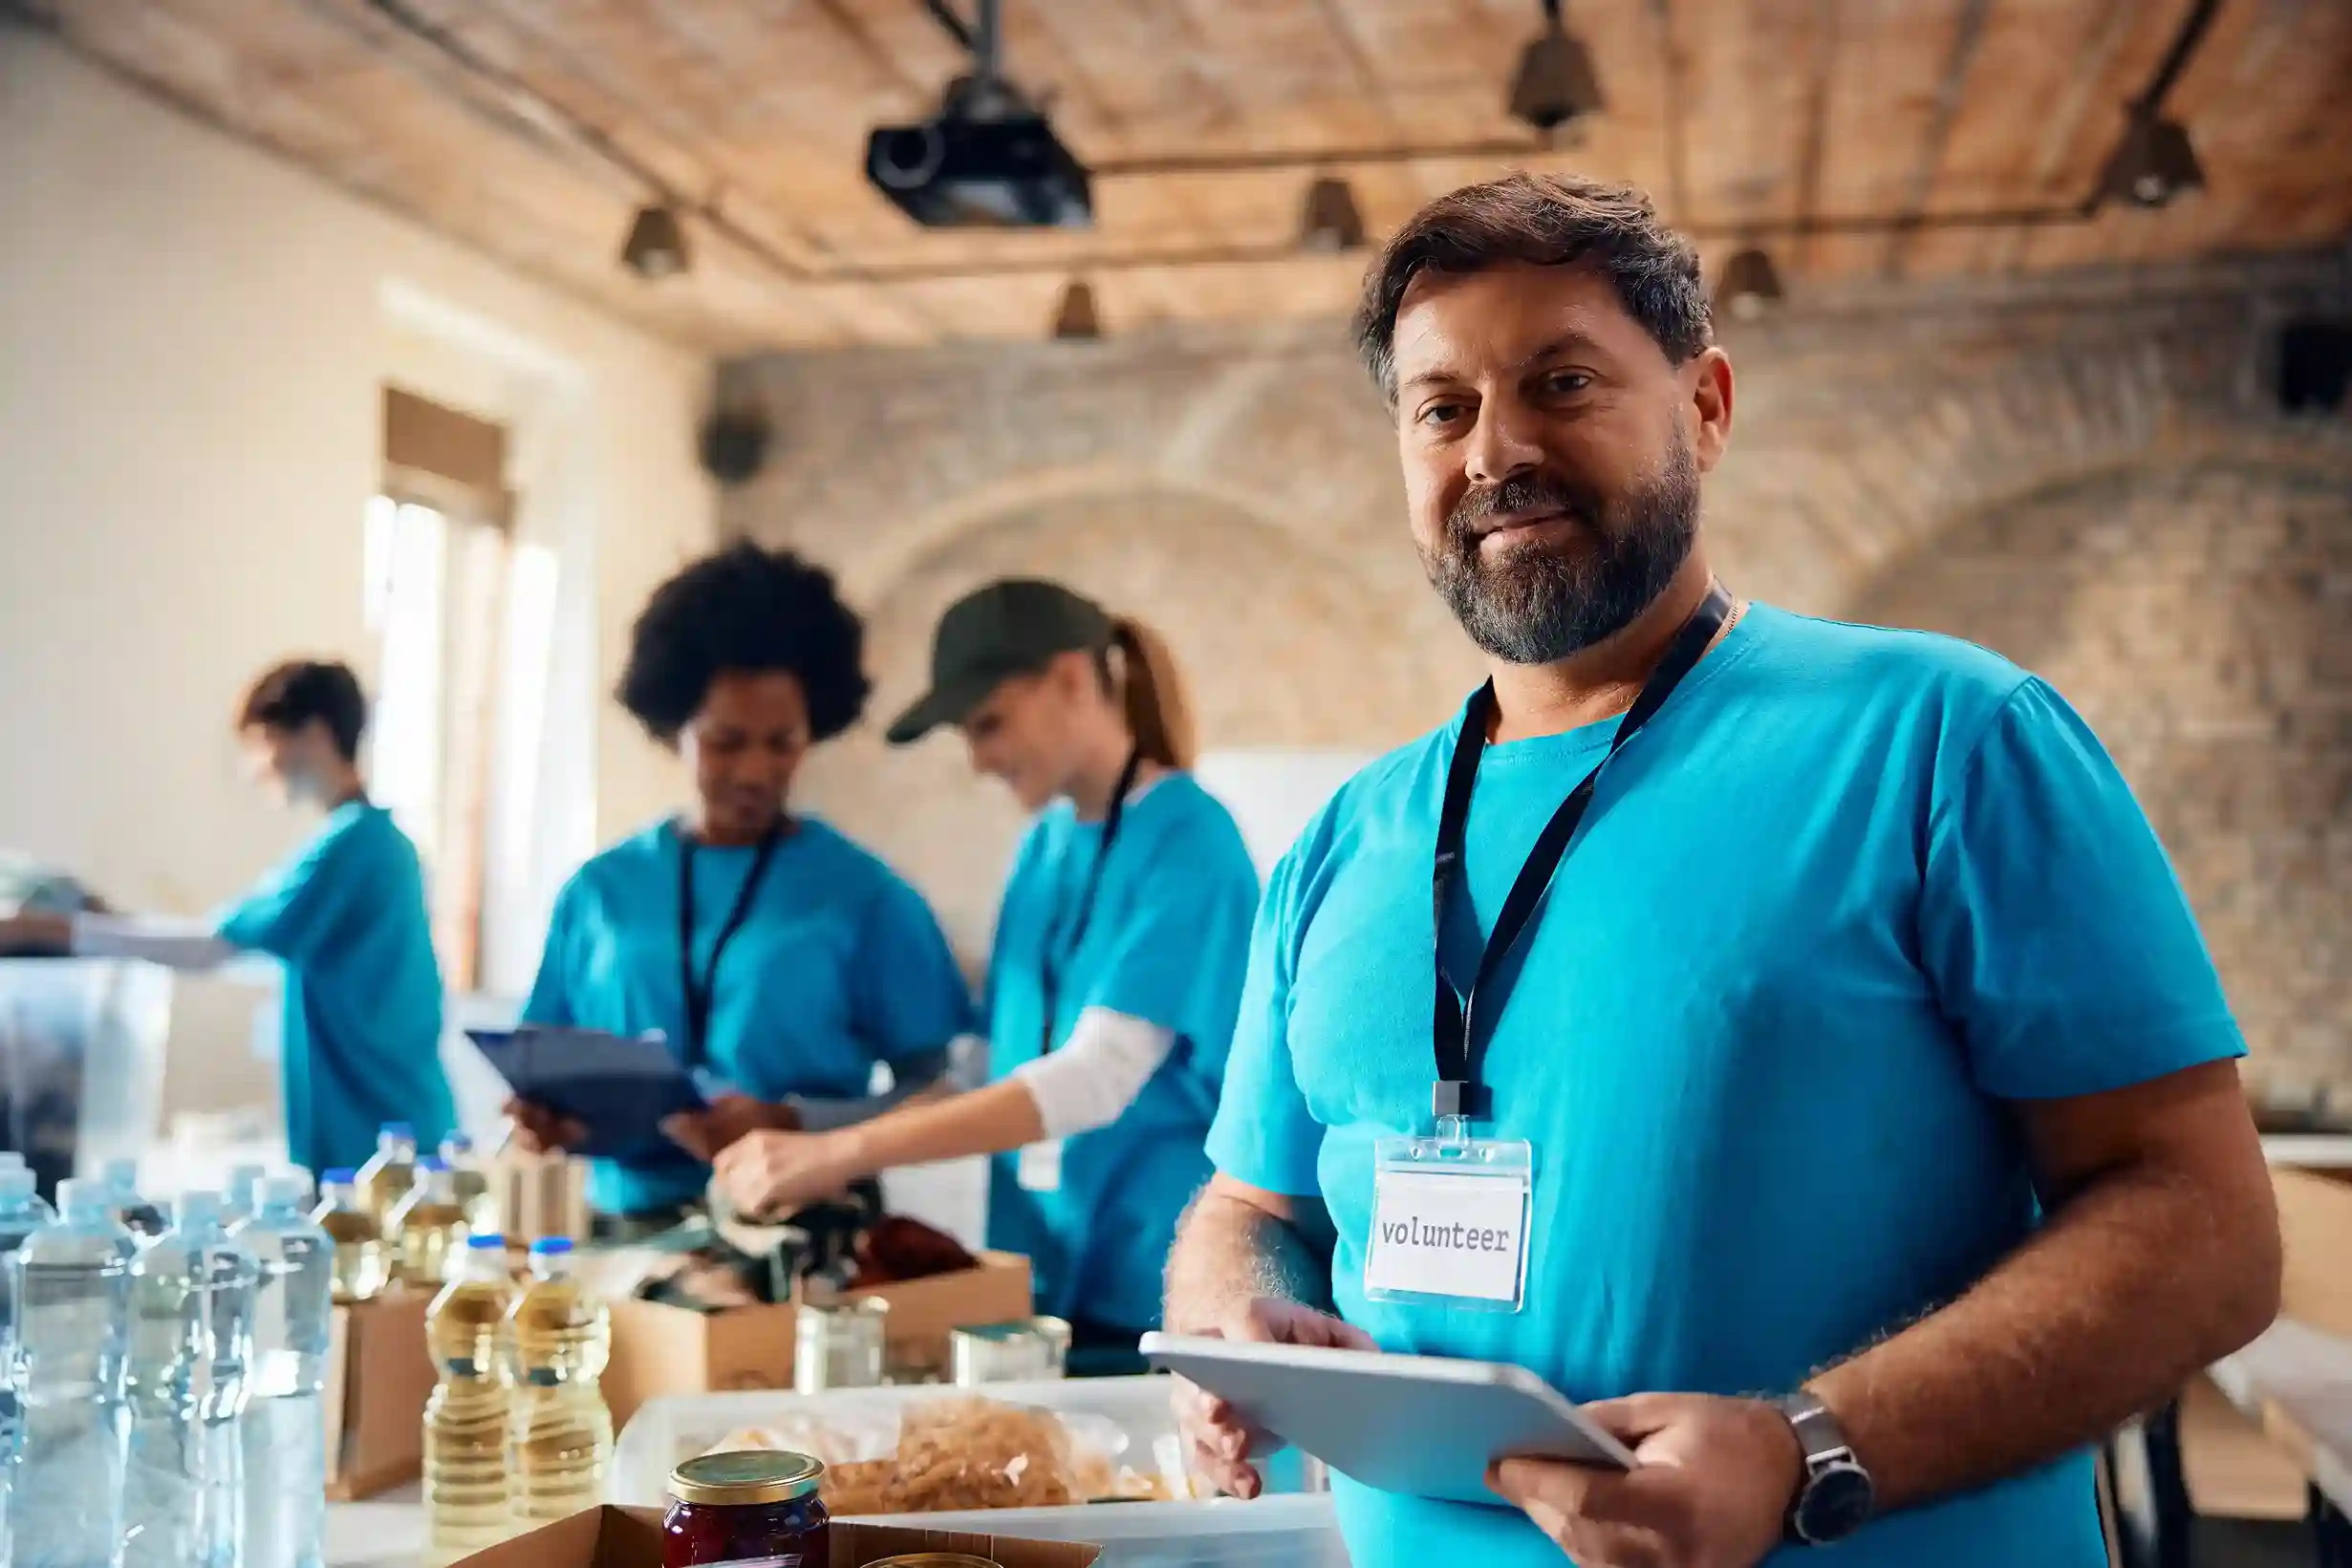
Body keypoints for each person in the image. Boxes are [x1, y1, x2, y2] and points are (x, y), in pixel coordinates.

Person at [1162, 173, 2279, 1568]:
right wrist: (1234, 1321)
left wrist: (1804, 1449)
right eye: (1440, 407)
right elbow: (1250, 1206)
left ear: (1706, 405)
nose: (1496, 449)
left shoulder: (1946, 739)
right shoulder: (1342, 840)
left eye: (1561, 381)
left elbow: (2203, 1225)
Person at [716, 580, 1260, 1364]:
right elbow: (982, 1065)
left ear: (1071, 679)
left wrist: (843, 1153)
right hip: (1036, 1286)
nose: (976, 759)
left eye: (988, 724)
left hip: (1154, 1286)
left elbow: (1093, 1079)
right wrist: (804, 1130)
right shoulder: (1043, 845)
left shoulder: (1190, 841)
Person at [507, 543, 971, 1233]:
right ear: (672, 731)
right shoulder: (598, 893)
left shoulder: (866, 896)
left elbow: (940, 1092)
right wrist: (541, 1115)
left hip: (806, 1232)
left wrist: (802, 1123)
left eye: (781, 742)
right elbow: (543, 1053)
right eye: (725, 741)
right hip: (626, 1232)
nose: (755, 770)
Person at [0, 659, 456, 1176]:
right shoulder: (374, 843)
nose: (255, 768)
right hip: (389, 1121)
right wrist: (108, 921)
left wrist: (47, 930)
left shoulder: (352, 848)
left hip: (381, 1132)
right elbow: (233, 942)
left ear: (313, 733)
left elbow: (212, 948)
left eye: (261, 744)